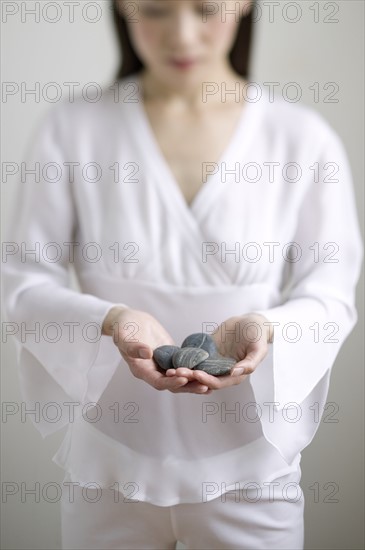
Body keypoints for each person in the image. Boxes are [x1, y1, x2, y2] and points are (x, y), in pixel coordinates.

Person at [2, 0, 363, 548]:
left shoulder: (301, 138)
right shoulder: (71, 129)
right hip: (107, 469)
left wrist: (265, 328)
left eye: (205, 8)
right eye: (156, 10)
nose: (183, 35)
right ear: (123, 6)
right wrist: (112, 319)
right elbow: (23, 281)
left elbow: (332, 290)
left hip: (252, 471)